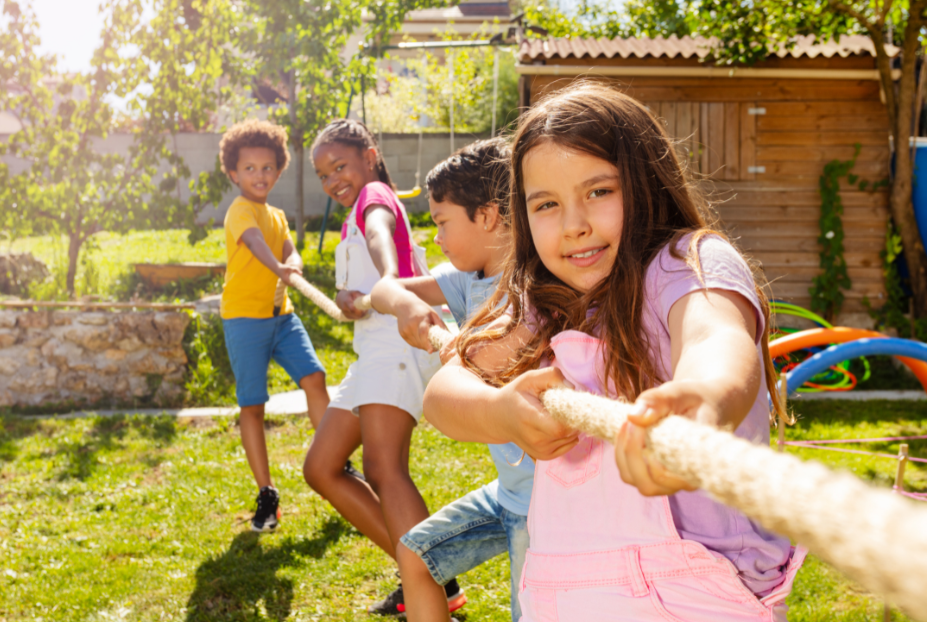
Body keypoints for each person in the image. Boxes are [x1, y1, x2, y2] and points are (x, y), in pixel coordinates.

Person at [423, 83, 806, 621]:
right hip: (569, 589)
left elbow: (716, 336)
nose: (575, 223)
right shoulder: (544, 302)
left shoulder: (687, 263)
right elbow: (443, 393)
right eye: (547, 204)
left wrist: (701, 403)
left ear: (646, 184)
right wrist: (500, 408)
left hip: (703, 595)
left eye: (599, 192)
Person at [367, 138, 530, 621]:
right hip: (509, 491)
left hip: (546, 504)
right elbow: (383, 289)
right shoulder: (466, 281)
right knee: (416, 556)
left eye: (442, 222)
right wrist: (407, 305)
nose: (435, 237)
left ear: (488, 215)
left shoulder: (534, 288)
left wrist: (457, 342)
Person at [302, 119, 454, 615]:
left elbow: (379, 234)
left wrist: (388, 279)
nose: (332, 181)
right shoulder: (355, 211)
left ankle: (430, 583)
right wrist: (355, 299)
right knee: (322, 468)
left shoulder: (374, 197)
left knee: (384, 469)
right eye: (324, 175)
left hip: (398, 344)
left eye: (339, 165)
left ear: (369, 155)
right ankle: (432, 576)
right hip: (373, 350)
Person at [218, 119, 334, 533]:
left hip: (281, 317)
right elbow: (256, 245)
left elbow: (288, 248)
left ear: (278, 170)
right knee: (253, 405)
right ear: (234, 173)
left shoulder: (278, 216)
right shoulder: (239, 211)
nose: (259, 175)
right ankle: (266, 492)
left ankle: (335, 460)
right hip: (244, 319)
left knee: (315, 377)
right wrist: (282, 268)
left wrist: (296, 263)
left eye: (267, 168)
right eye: (249, 169)